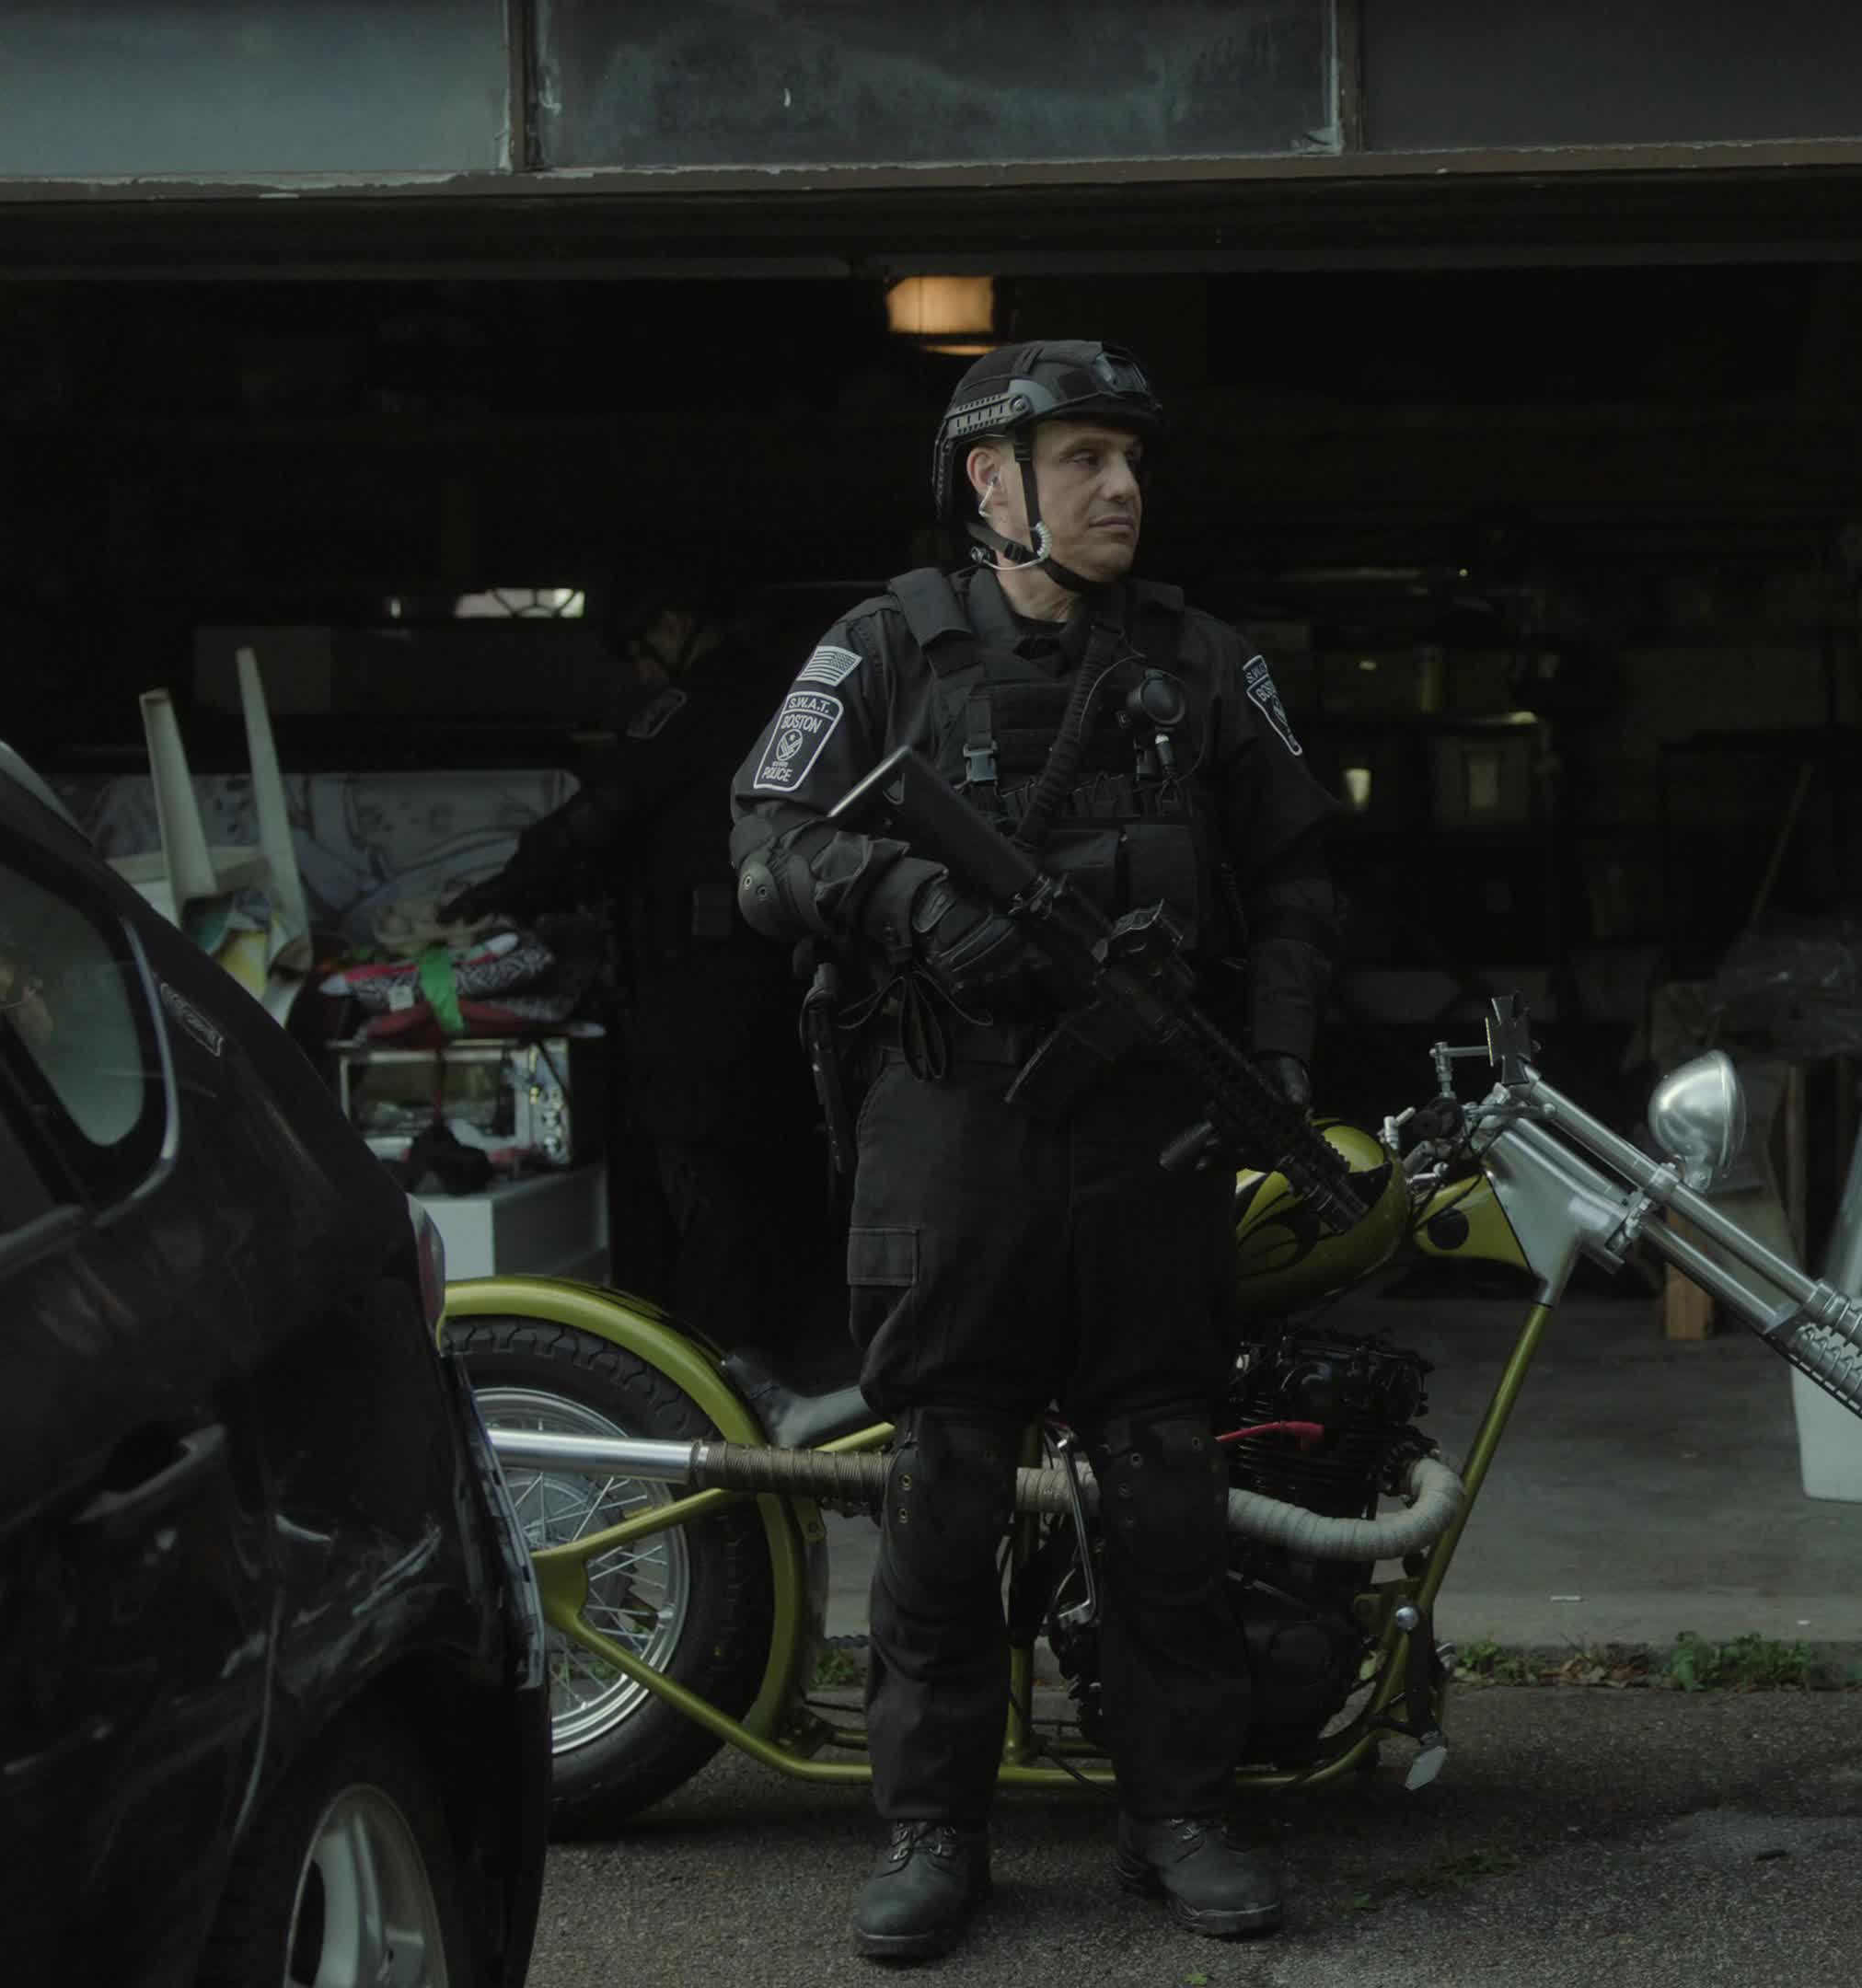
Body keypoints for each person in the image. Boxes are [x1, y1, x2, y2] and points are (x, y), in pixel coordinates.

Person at [724, 340, 1339, 1963]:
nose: (1123, 487)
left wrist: (1275, 1063)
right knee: (944, 1481)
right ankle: (934, 1825)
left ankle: (1178, 1813)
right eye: (1084, 459)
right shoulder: (882, 648)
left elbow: (1295, 880)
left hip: (1151, 1126)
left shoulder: (1204, 663)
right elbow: (767, 845)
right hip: (954, 1125)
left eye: (1133, 459)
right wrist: (916, 903)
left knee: (1164, 1479)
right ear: (991, 480)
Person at [444, 577, 844, 1386]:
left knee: (709, 1176)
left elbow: (606, 811)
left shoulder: (698, 703)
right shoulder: (787, 696)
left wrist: (505, 890)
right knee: (772, 1176)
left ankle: (716, 1371)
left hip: (705, 992)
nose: (639, 673)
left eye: (639, 651)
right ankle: (787, 1358)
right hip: (783, 983)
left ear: (675, 621)